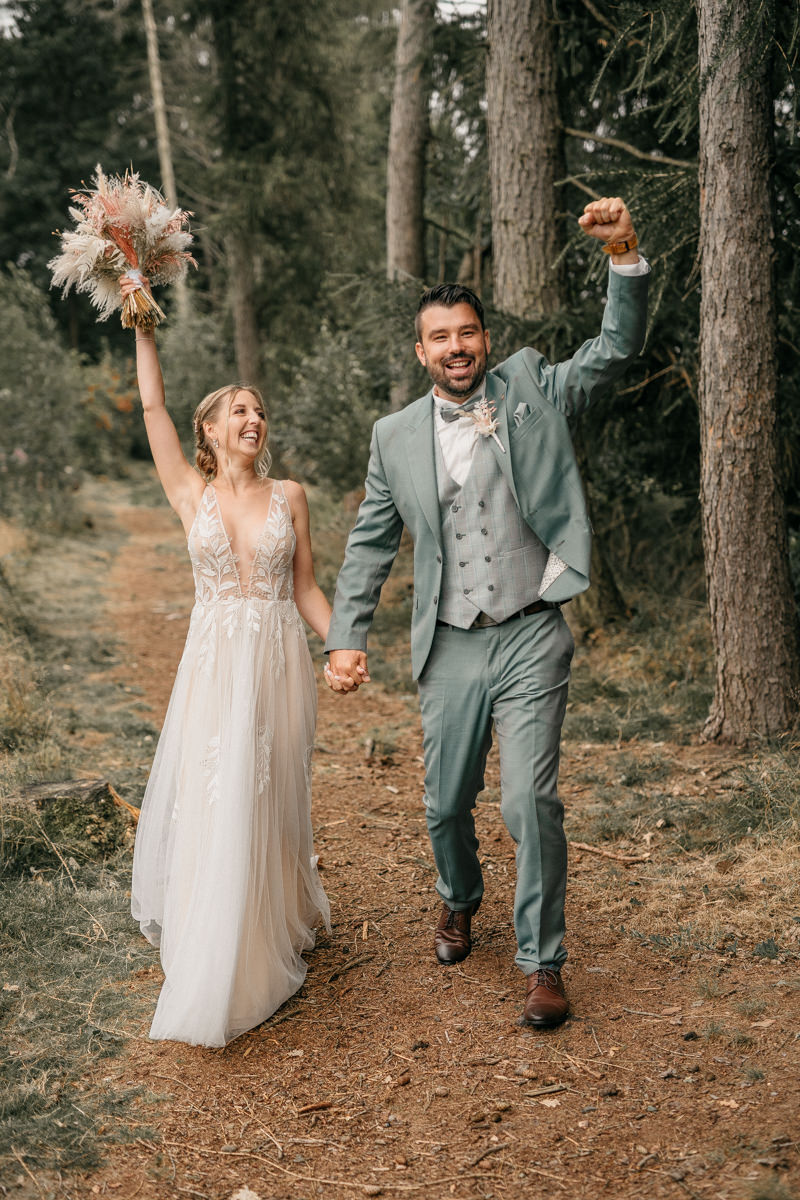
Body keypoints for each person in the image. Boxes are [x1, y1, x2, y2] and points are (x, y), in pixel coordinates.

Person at [324, 197, 649, 1028]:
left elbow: (613, 352)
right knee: (445, 802)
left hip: (532, 627)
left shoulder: (534, 385)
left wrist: (622, 253)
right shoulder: (393, 435)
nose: (456, 347)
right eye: (440, 337)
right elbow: (370, 544)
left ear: (485, 338)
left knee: (526, 803)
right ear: (422, 349)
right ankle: (459, 896)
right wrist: (347, 639)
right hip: (451, 643)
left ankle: (542, 962)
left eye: (467, 333)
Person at [123, 276, 331, 1047]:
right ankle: (217, 942)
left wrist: (342, 643)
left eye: (259, 410)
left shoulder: (292, 494)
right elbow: (150, 408)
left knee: (270, 786)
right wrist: (143, 321)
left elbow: (306, 586)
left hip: (277, 658)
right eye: (238, 409)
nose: (254, 417)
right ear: (208, 430)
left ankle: (270, 915)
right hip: (213, 663)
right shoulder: (189, 494)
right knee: (219, 787)